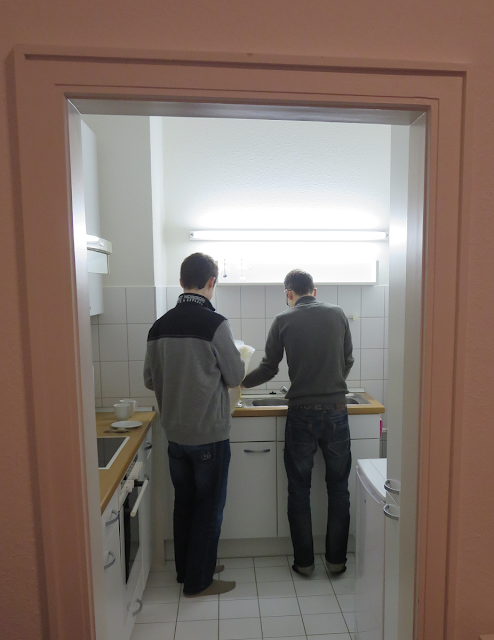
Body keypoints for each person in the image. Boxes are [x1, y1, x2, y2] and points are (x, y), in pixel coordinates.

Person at [143, 252, 245, 597]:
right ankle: (199, 582)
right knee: (209, 508)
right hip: (208, 434)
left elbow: (148, 379)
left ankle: (188, 569)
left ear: (182, 280)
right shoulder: (214, 324)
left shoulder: (159, 326)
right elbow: (235, 375)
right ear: (211, 282)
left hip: (175, 435)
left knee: (185, 504)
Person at [242, 269, 354, 576]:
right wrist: (331, 383)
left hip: (301, 413)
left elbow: (268, 369)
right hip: (336, 410)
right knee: (339, 489)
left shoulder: (283, 319)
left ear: (288, 293)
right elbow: (348, 360)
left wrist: (239, 382)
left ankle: (304, 564)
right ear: (314, 291)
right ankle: (336, 561)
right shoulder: (338, 314)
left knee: (299, 489)